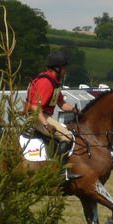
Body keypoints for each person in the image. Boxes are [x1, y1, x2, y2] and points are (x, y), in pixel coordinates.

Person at [26, 50, 80, 180]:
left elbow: (61, 104)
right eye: (64, 68)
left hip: (44, 116)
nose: (65, 71)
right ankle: (60, 172)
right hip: (37, 117)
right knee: (67, 137)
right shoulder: (46, 82)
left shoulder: (54, 82)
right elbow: (35, 107)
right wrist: (45, 124)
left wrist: (76, 111)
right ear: (57, 68)